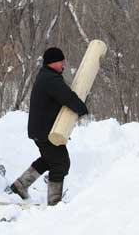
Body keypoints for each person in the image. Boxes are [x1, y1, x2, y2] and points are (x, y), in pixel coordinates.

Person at [9, 47, 88, 206]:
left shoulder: (47, 75)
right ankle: (54, 202)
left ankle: (20, 185)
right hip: (45, 131)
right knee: (60, 163)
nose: (63, 64)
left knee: (49, 160)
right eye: (61, 61)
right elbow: (68, 97)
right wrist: (82, 109)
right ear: (53, 62)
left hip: (41, 129)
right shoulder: (51, 79)